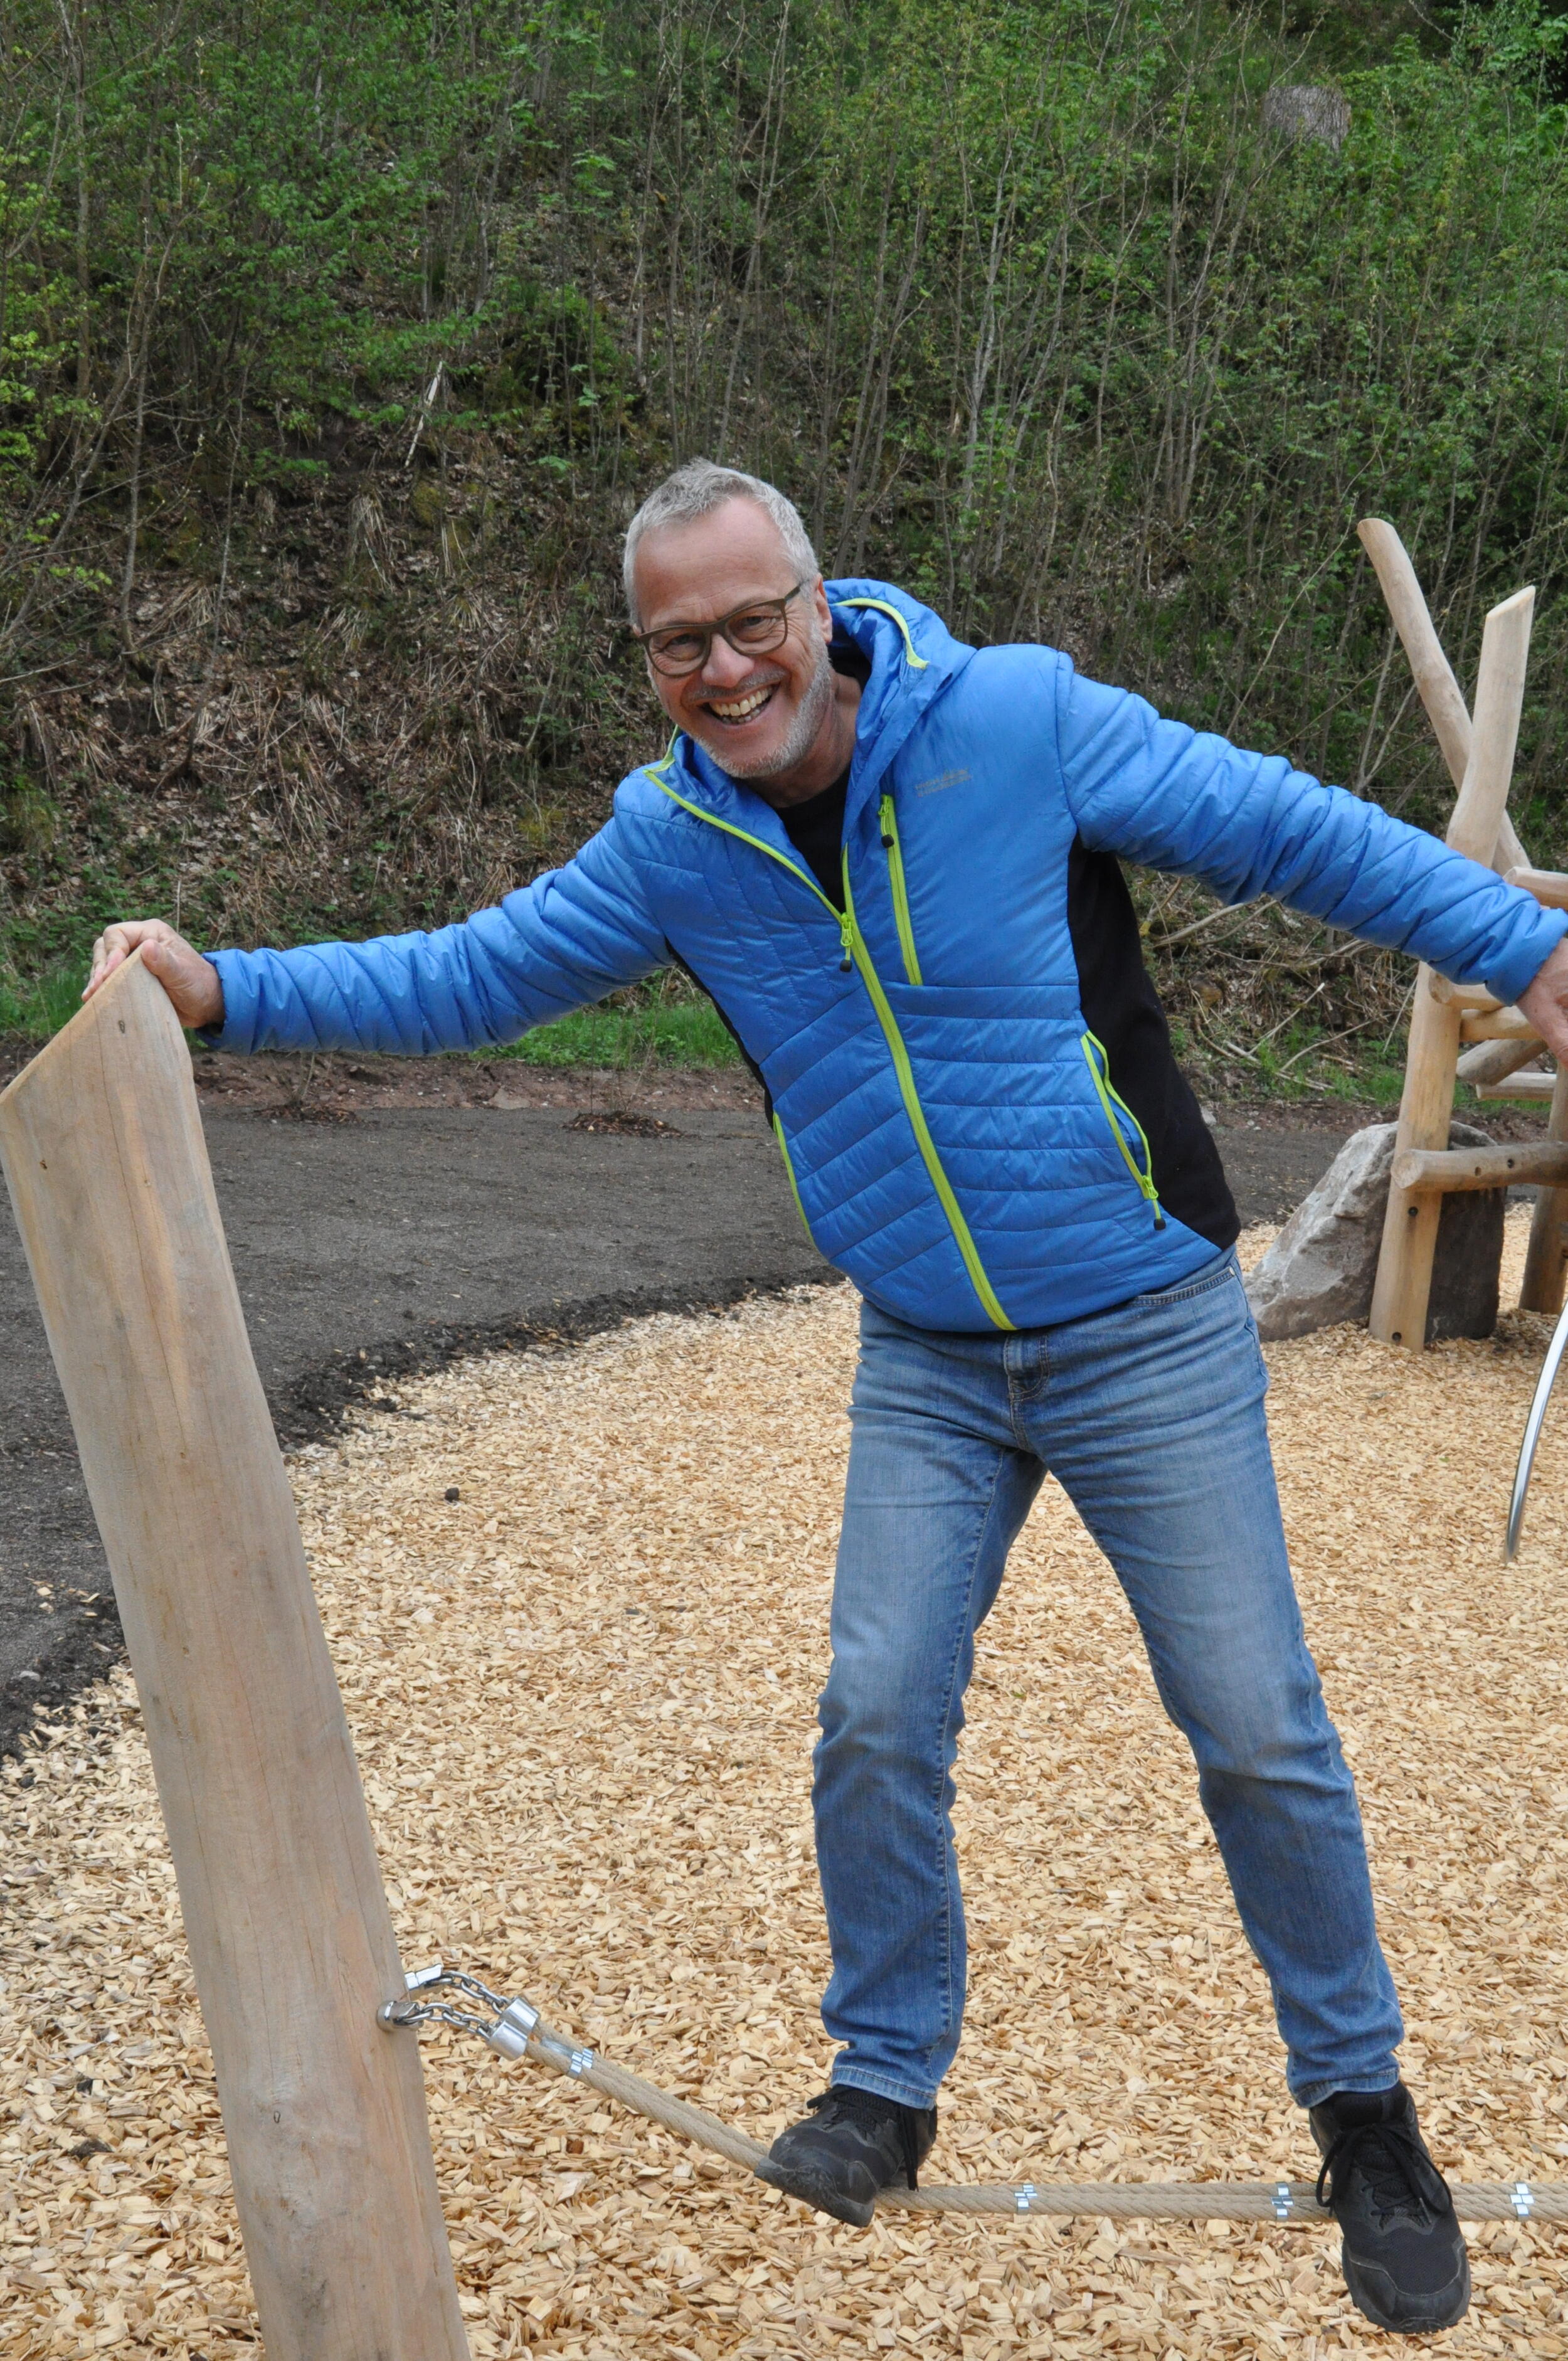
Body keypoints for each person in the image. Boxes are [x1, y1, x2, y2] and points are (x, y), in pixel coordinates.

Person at [90, 459, 1568, 2335]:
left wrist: (1521, 942)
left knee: (1253, 1720)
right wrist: (230, 991)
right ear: (647, 659)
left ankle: (1366, 2116)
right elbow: (471, 973)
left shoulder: (1014, 721)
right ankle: (883, 2078)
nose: (722, 668)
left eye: (748, 621)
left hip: (1141, 1321)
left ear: (817, 599)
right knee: (874, 1708)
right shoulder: (669, 842)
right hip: (929, 1352)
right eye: (676, 643)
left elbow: (1284, 828)